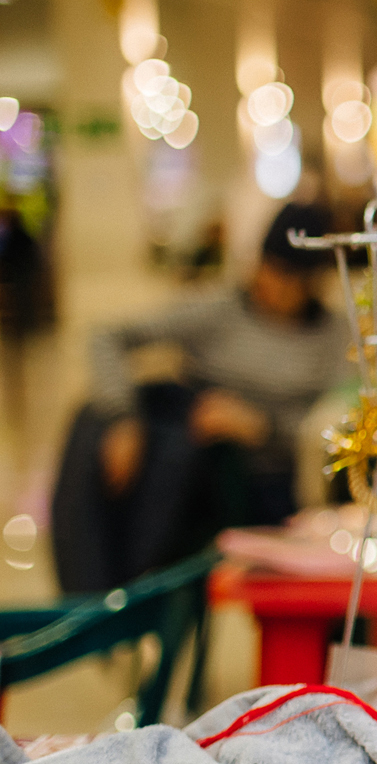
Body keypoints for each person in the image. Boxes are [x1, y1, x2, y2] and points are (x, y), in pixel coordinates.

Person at [52, 204, 351, 591]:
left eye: (290, 276)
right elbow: (107, 337)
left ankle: (132, 589)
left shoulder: (334, 338)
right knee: (94, 424)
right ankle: (97, 590)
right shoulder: (219, 312)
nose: (275, 284)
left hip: (277, 479)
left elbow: (338, 429)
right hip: (201, 465)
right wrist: (121, 417)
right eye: (270, 268)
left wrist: (261, 427)